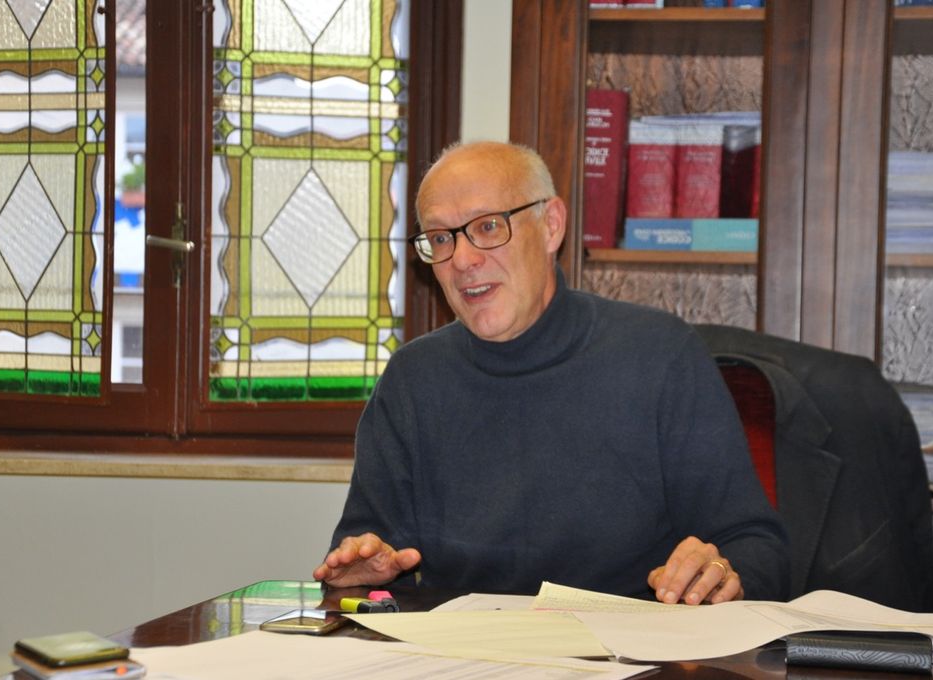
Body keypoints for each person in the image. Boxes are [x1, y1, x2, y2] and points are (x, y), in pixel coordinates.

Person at [313, 141, 788, 604]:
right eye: (440, 238)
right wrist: (356, 578)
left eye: (488, 226)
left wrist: (719, 572)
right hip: (463, 647)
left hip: (627, 646)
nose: (462, 260)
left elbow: (756, 547)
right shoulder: (412, 380)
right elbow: (365, 557)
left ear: (551, 226)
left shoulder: (661, 355)